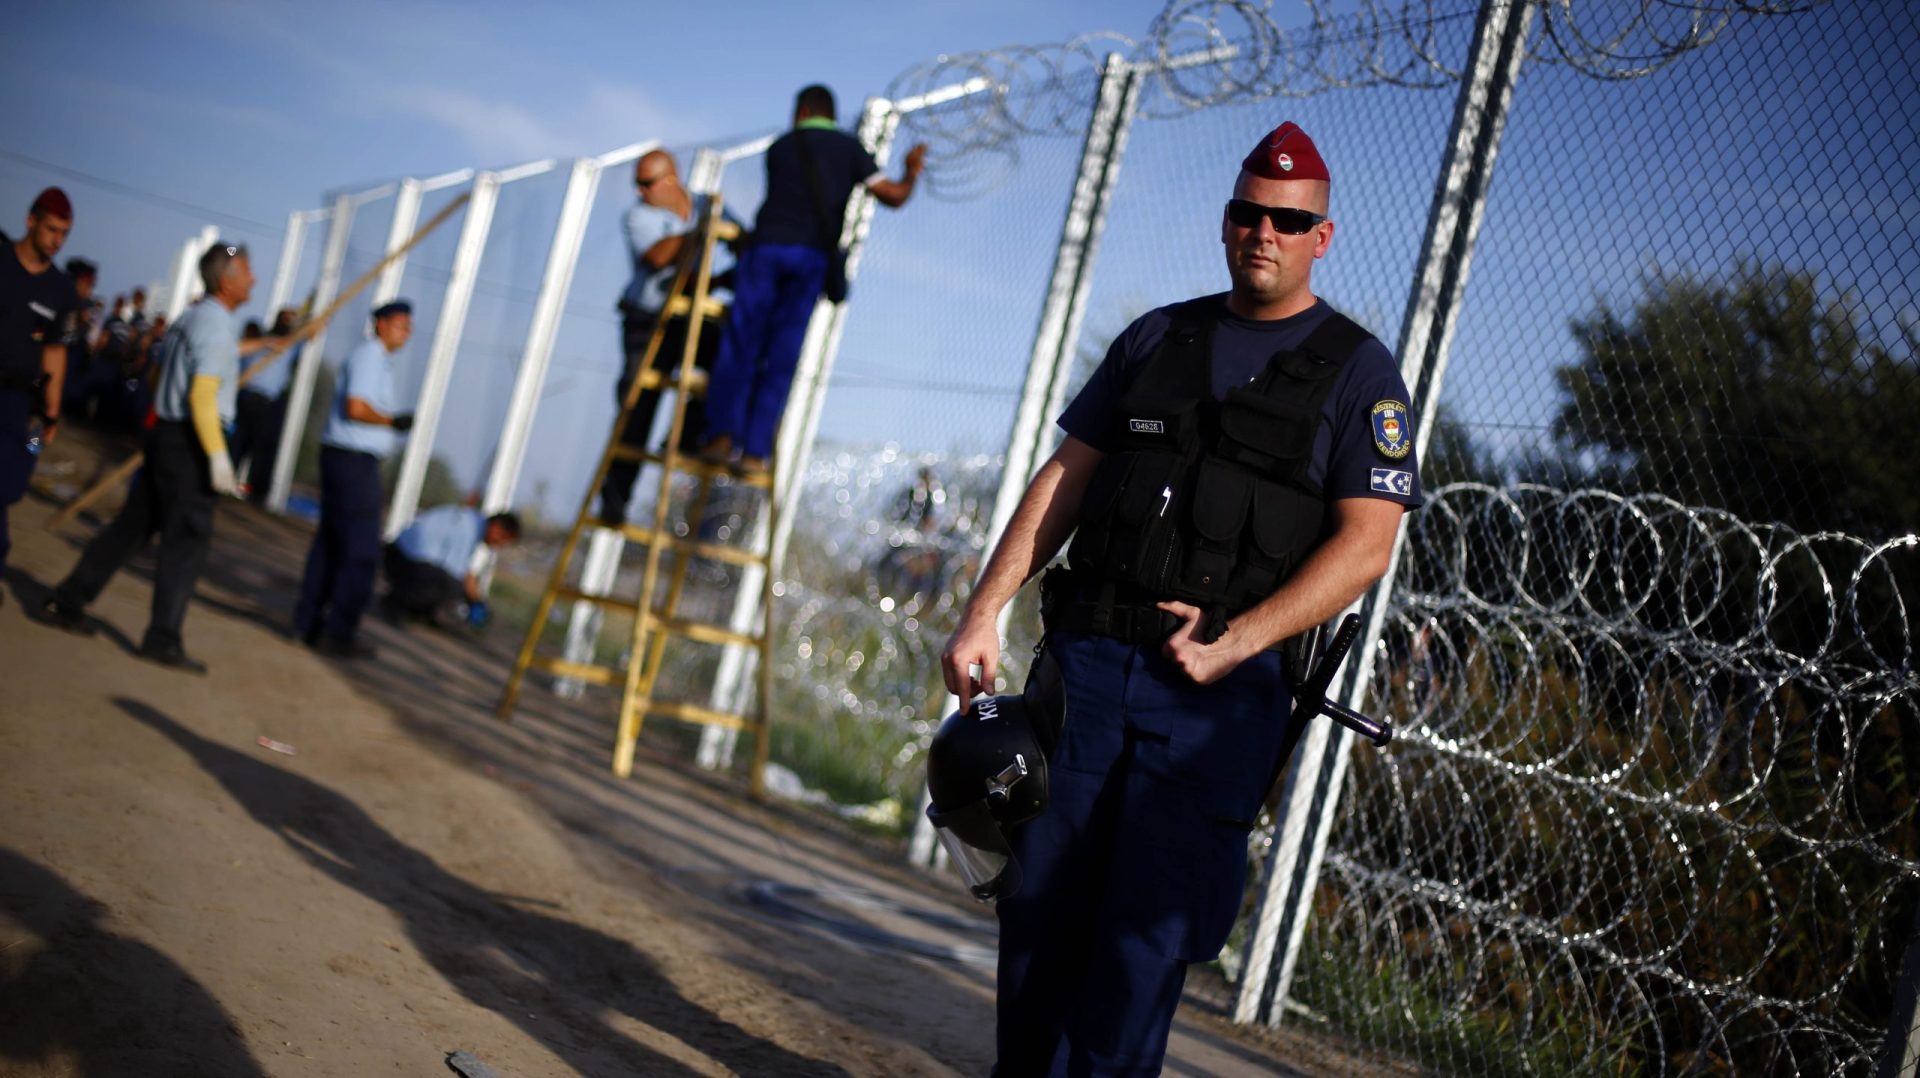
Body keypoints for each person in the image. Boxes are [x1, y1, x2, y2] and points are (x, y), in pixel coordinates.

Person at [937, 121, 1425, 1074]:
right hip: (1083, 677)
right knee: (1038, 919)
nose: (1265, 232)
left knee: (1139, 944)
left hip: (1212, 701)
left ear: (1320, 237)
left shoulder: (1358, 372)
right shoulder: (1158, 337)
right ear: (1227, 220)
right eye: (1249, 213)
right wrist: (982, 610)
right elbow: (1066, 479)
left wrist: (1240, 641)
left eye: (1288, 220)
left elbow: (1368, 543)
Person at [38, 241, 254, 672]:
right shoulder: (215, 326)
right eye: (247, 271)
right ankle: (163, 637)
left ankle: (68, 600)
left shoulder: (189, 318)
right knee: (186, 540)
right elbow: (203, 397)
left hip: (166, 436)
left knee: (130, 528)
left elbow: (158, 375)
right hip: (192, 442)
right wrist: (217, 458)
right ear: (228, 281)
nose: (254, 279)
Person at [700, 84, 928, 473]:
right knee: (782, 353)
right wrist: (910, 172)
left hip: (767, 248)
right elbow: (892, 196)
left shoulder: (781, 147)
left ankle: (721, 437)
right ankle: (755, 453)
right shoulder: (849, 149)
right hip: (810, 257)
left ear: (803, 110)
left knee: (742, 343)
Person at [599, 149, 737, 525]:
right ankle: (614, 500)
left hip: (688, 314)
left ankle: (691, 436)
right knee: (636, 407)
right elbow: (658, 258)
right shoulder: (638, 215)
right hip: (648, 319)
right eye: (637, 184)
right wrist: (700, 231)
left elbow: (738, 239)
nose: (640, 191)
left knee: (724, 360)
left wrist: (738, 260)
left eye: (647, 183)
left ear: (671, 178)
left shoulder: (706, 206)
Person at [292, 300, 413, 658]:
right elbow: (356, 407)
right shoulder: (370, 358)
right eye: (401, 325)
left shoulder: (376, 361)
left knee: (330, 544)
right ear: (380, 324)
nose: (406, 333)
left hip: (345, 460)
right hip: (353, 463)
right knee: (361, 550)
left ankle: (308, 624)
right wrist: (392, 421)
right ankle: (339, 631)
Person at [0, 188, 78, 603]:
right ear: (31, 221)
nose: (56, 240)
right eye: (51, 229)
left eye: (64, 233)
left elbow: (55, 352)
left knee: (11, 484)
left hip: (20, 405)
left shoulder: (60, 291)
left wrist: (51, 415)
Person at [381, 506, 520, 627]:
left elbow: (462, 569)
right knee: (453, 587)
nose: (499, 546)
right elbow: (459, 574)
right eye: (503, 540)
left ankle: (418, 610)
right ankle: (397, 601)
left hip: (398, 553)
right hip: (403, 561)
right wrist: (476, 601)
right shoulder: (468, 530)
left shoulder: (469, 520)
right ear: (497, 528)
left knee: (448, 582)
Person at [229, 309, 295, 502]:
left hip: (268, 402)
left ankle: (256, 492)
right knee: (239, 442)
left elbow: (313, 331)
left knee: (263, 450)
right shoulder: (260, 342)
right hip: (248, 397)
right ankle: (225, 481)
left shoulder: (291, 345)